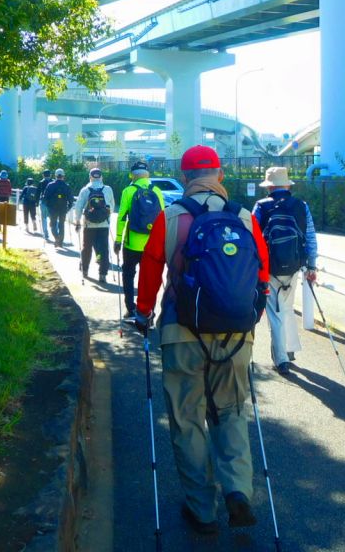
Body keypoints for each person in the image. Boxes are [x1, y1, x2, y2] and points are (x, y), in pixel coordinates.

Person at [135, 145, 270, 535]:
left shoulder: (171, 216)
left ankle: (202, 510)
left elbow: (149, 271)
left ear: (184, 175)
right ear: (221, 174)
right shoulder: (245, 217)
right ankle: (239, 491)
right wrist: (248, 321)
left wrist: (144, 314)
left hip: (181, 332)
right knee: (230, 412)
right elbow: (262, 275)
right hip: (236, 334)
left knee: (187, 418)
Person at [253, 166, 318, 376]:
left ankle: (281, 360)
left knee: (275, 312)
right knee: (286, 307)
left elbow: (253, 237)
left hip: (269, 267)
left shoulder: (261, 207)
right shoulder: (301, 206)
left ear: (269, 187)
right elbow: (310, 237)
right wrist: (312, 265)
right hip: (294, 266)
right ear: (287, 185)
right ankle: (289, 351)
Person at [114, 160, 165, 317]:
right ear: (147, 175)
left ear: (132, 175)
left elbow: (121, 217)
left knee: (128, 274)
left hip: (132, 244)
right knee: (149, 278)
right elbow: (162, 217)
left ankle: (131, 309)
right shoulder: (156, 190)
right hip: (151, 245)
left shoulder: (129, 191)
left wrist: (118, 239)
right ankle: (148, 310)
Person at [73, 168, 115, 284]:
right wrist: (105, 216)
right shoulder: (108, 189)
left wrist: (77, 222)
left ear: (90, 177)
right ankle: (102, 274)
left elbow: (78, 208)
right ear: (101, 177)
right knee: (104, 249)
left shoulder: (85, 190)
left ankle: (85, 270)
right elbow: (111, 206)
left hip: (88, 225)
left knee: (87, 248)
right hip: (104, 225)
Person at [42, 168, 73, 248]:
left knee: (53, 224)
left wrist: (47, 205)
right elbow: (71, 199)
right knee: (61, 224)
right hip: (63, 208)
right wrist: (68, 207)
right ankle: (60, 242)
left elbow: (45, 198)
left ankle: (56, 237)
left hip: (52, 208)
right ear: (63, 176)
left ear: (55, 176)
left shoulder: (50, 185)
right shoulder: (67, 186)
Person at [37, 169, 53, 239]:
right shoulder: (53, 182)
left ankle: (45, 233)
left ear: (43, 175)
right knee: (53, 218)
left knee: (44, 218)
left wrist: (36, 202)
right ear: (50, 175)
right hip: (52, 203)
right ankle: (55, 232)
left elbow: (37, 193)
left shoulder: (41, 182)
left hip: (43, 202)